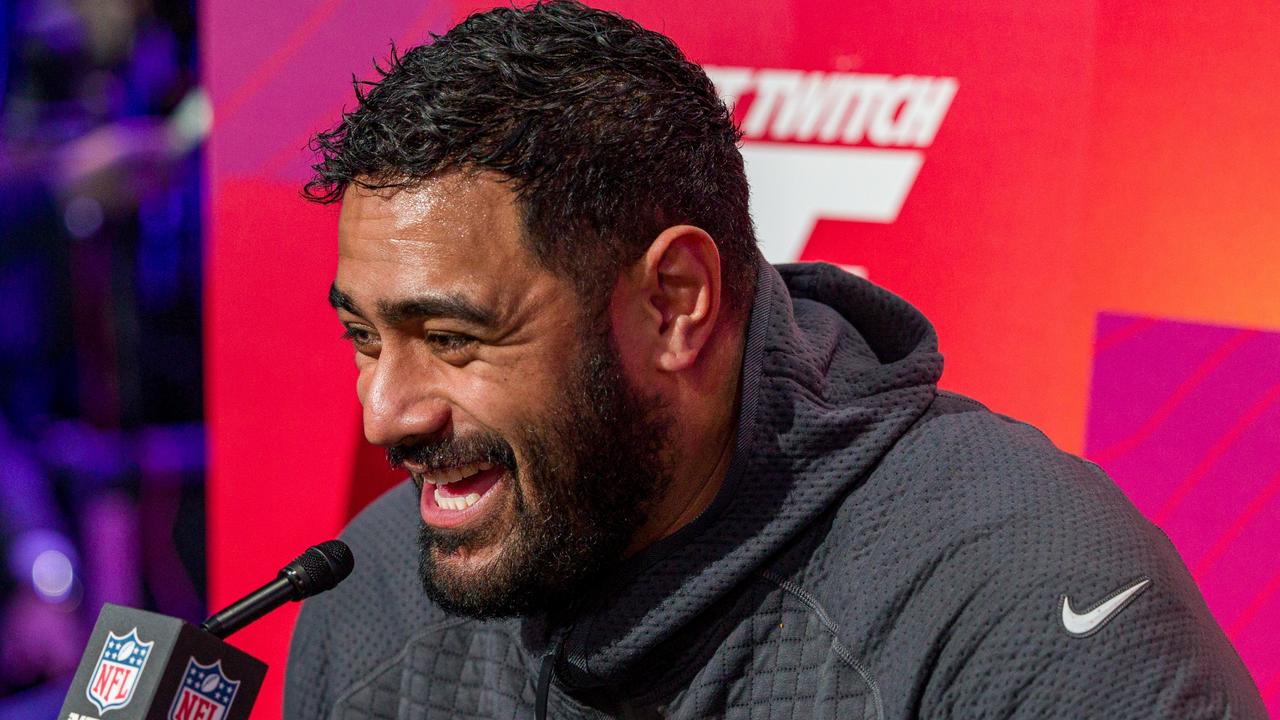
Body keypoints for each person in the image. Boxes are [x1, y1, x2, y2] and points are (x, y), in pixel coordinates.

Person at [284, 2, 1265, 717]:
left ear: (672, 304)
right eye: (364, 338)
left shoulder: (1016, 590)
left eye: (453, 341)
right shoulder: (367, 598)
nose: (386, 414)